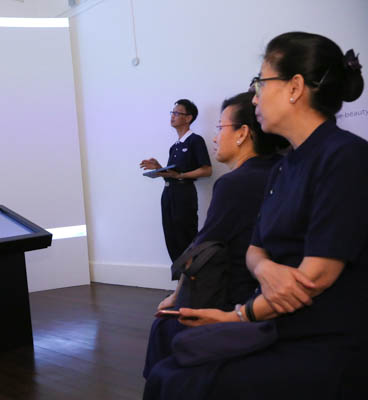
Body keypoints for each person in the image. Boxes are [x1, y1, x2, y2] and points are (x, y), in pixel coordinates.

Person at [143, 32, 367, 400]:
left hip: (324, 337)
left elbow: (313, 280)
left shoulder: (345, 157)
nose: (255, 95)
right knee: (171, 363)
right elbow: (254, 250)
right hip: (277, 321)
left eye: (260, 82)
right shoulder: (283, 168)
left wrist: (236, 316)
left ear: (295, 87)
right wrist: (265, 269)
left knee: (177, 378)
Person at [143, 91, 287, 379]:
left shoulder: (233, 184)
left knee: (164, 326)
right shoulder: (285, 171)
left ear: (243, 133)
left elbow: (201, 249)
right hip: (270, 294)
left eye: (220, 128)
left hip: (235, 296)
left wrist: (175, 296)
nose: (215, 137)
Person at [140, 99, 212, 262]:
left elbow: (207, 170)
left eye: (177, 113)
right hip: (168, 194)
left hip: (184, 195)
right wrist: (159, 168)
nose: (172, 116)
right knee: (171, 238)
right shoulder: (174, 146)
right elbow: (173, 172)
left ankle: (191, 282)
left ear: (188, 118)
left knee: (185, 238)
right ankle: (181, 282)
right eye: (172, 112)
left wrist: (180, 176)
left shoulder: (195, 140)